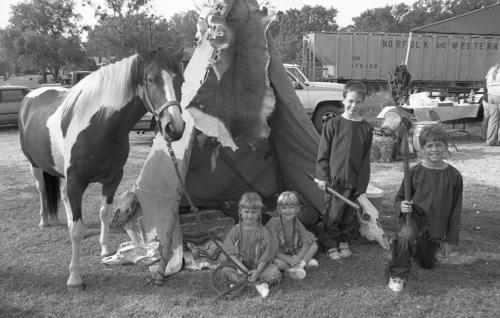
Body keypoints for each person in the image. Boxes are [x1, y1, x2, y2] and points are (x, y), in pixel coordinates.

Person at [387, 125, 463, 292]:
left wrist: (450, 240)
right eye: (429, 146)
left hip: (434, 228)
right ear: (421, 148)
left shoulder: (454, 176)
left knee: (427, 264)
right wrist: (402, 205)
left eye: (438, 145)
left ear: (446, 147)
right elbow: (399, 199)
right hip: (414, 220)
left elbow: (456, 211)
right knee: (406, 236)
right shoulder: (414, 172)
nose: (434, 149)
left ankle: (409, 247)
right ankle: (398, 273)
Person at [316, 81, 373, 260]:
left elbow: (365, 159)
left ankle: (344, 240)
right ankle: (331, 243)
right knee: (332, 213)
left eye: (358, 102)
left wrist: (361, 184)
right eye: (351, 101)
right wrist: (323, 177)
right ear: (343, 99)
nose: (354, 105)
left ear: (363, 102)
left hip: (354, 180)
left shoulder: (366, 128)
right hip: (334, 180)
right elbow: (323, 153)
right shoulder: (332, 125)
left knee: (349, 214)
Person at [222, 192, 282, 298]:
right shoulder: (236, 229)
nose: (250, 215)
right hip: (240, 267)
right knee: (225, 270)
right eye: (246, 211)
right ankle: (239, 281)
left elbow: (267, 255)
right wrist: (240, 267)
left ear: (259, 213)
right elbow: (228, 249)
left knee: (275, 273)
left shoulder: (264, 232)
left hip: (260, 268)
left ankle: (263, 284)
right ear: (240, 212)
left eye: (254, 212)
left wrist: (258, 271)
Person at [266, 191, 319, 280]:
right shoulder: (274, 223)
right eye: (284, 208)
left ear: (297, 209)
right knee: (276, 263)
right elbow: (272, 249)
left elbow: (307, 239)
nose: (288, 210)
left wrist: (298, 257)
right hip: (278, 254)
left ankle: (299, 266)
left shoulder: (295, 220)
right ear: (279, 209)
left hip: (292, 251)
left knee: (314, 245)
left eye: (291, 207)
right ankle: (303, 263)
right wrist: (289, 259)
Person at [485, 63, 500, 146]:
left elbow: (486, 83)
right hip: (499, 94)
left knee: (493, 119)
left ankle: (490, 141)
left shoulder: (492, 69)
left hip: (490, 95)